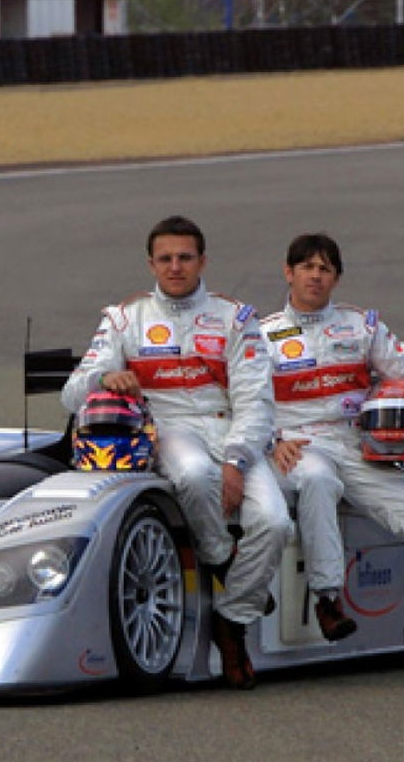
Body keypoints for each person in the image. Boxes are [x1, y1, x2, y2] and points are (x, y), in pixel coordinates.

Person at [62, 215, 288, 690]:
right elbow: (71, 394)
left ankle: (232, 616)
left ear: (202, 261)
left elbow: (256, 401)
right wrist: (104, 376)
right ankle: (222, 560)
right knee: (195, 475)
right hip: (166, 428)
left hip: (230, 427)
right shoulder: (124, 318)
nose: (175, 267)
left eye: (185, 257)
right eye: (165, 259)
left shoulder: (236, 318)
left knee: (274, 522)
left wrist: (237, 462)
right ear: (151, 264)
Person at [258, 232, 404, 681]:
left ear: (337, 278)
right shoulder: (260, 336)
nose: (315, 276)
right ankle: (327, 600)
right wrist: (271, 440)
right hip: (296, 446)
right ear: (288, 273)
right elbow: (240, 405)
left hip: (357, 445)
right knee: (318, 479)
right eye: (307, 267)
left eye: (325, 269)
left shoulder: (361, 326)